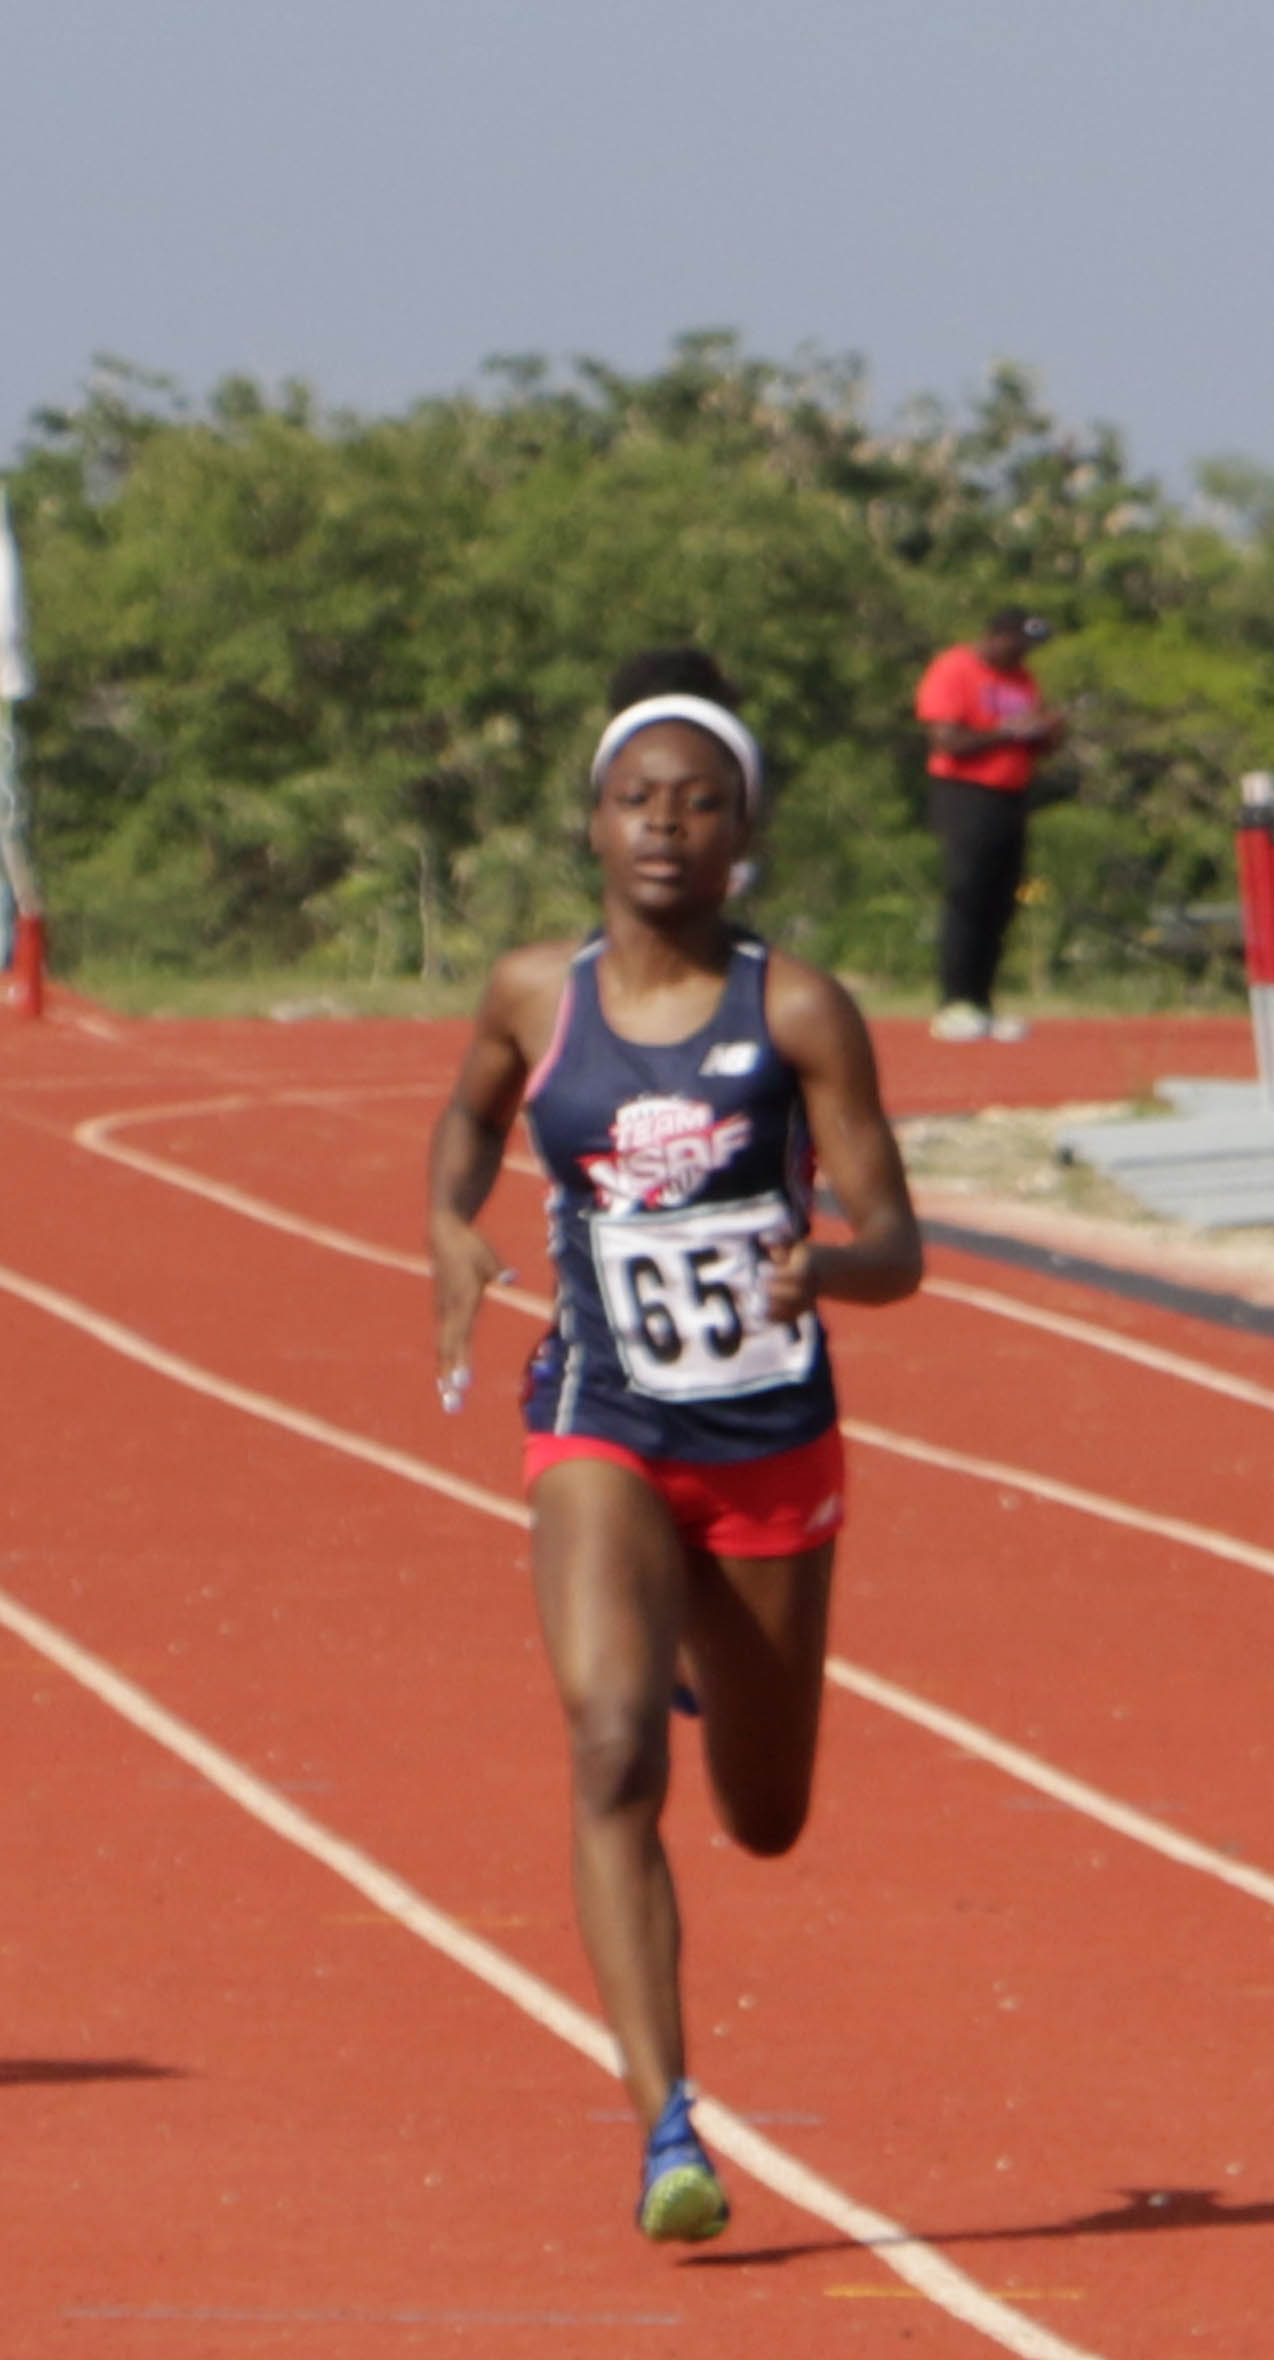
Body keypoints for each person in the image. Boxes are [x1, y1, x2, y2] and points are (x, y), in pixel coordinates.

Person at [426, 650, 926, 2243]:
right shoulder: (531, 993)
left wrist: (829, 1265)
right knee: (608, 1747)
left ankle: (711, 1628)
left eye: (700, 806)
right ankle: (666, 2128)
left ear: (742, 837)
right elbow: (470, 1118)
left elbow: (898, 1236)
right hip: (603, 1408)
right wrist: (447, 1222)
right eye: (639, 799)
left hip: (769, 1435)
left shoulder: (795, 1009)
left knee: (764, 1817)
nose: (666, 829)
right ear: (593, 823)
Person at [912, 606, 1061, 1042]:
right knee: (968, 893)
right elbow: (947, 739)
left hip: (1011, 795)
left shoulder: (1023, 680)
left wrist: (1046, 732)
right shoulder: (954, 669)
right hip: (965, 793)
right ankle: (953, 1001)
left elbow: (1033, 743)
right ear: (996, 636)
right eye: (1019, 643)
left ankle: (981, 1001)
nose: (1025, 654)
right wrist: (1010, 731)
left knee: (1001, 898)